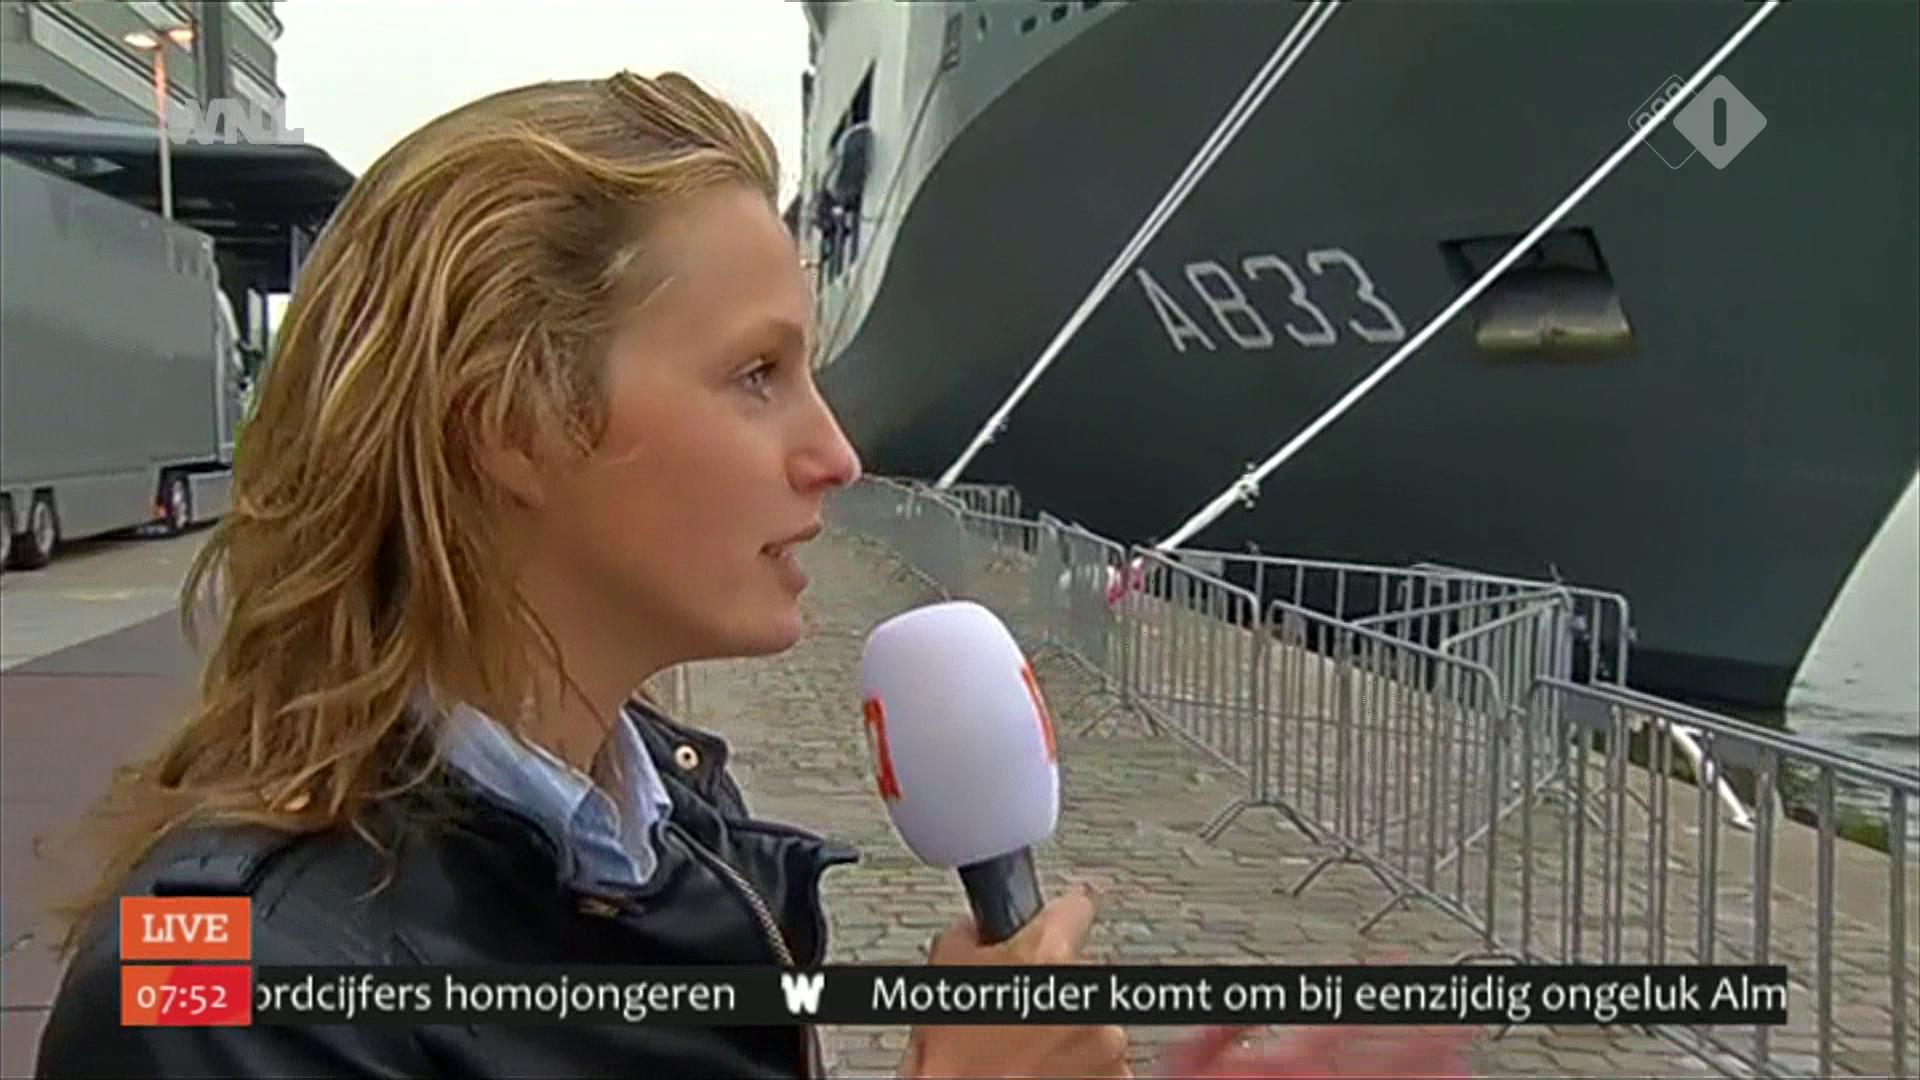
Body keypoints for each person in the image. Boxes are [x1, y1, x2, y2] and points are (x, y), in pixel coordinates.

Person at [34, 71, 1475, 1079]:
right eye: (756, 376)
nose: (836, 454)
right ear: (513, 423)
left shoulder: (687, 838)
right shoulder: (214, 990)